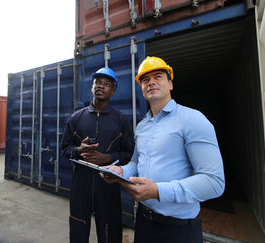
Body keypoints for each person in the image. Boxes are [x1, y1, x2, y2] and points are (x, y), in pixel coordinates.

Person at [102, 56, 225, 243]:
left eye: (158, 76)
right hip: (144, 222)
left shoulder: (193, 119)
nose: (151, 82)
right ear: (142, 89)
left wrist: (157, 191)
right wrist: (120, 171)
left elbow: (214, 182)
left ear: (170, 84)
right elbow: (136, 163)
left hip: (178, 229)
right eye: (145, 79)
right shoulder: (142, 126)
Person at [61, 67, 134, 243]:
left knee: (110, 230)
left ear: (113, 90)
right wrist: (78, 150)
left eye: (106, 84)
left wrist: (107, 158)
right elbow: (65, 149)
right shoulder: (76, 118)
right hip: (81, 184)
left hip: (107, 185)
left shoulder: (121, 120)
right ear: (92, 86)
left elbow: (130, 153)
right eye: (97, 82)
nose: (101, 86)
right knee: (78, 227)